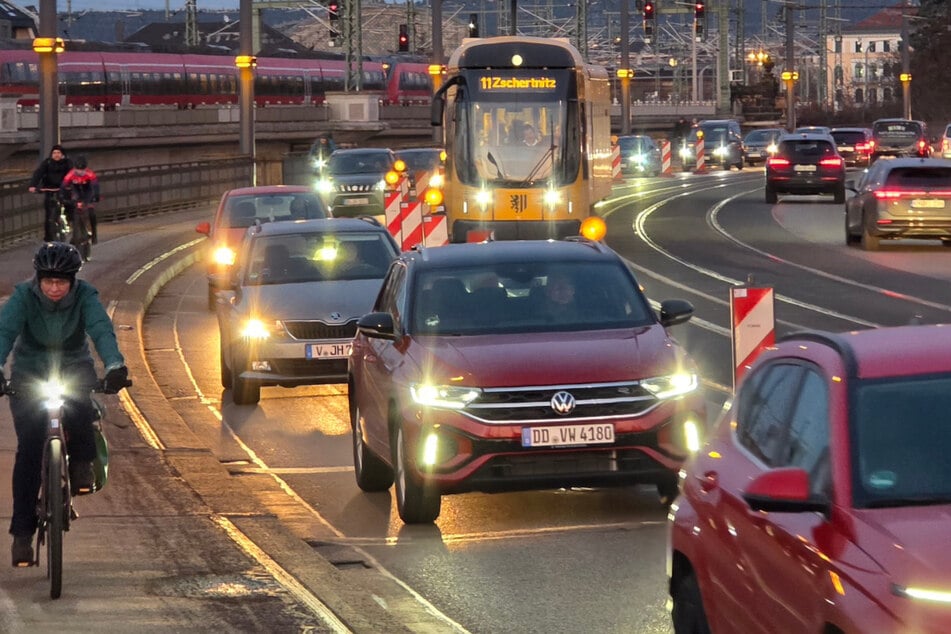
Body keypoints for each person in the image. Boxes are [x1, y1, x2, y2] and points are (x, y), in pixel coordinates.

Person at [0, 242, 130, 566]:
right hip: (30, 372)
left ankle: (82, 463)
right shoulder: (22, 298)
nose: (55, 288)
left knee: (81, 408)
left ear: (73, 281)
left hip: (73, 365)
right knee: (29, 450)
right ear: (38, 280)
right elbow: (3, 333)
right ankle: (21, 535)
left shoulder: (86, 297)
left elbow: (101, 329)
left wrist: (114, 366)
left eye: (62, 281)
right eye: (48, 281)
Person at [27, 145, 73, 242]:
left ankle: (71, 222)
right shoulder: (47, 163)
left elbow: (71, 174)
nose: (56, 155)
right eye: (54, 153)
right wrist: (33, 185)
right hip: (49, 189)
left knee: (70, 206)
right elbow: (39, 173)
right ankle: (48, 237)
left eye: (58, 153)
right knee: (49, 215)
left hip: (63, 189)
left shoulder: (67, 163)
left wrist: (71, 185)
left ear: (62, 154)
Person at [60, 155, 101, 245]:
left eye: (82, 169)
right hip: (76, 191)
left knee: (91, 212)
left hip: (87, 191)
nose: (80, 172)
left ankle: (94, 233)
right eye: (78, 169)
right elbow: (63, 185)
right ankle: (74, 231)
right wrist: (62, 196)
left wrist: (96, 196)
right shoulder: (71, 174)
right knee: (72, 207)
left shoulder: (90, 174)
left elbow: (95, 186)